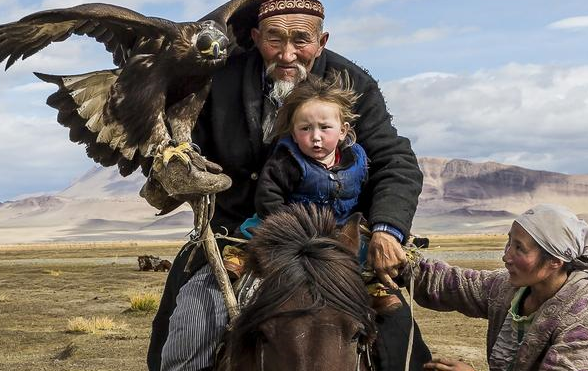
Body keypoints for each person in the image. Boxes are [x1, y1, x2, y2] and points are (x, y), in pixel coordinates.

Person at [148, 1, 428, 370]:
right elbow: (182, 142)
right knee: (197, 313)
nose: (287, 53)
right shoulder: (218, 76)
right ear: (255, 37)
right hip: (240, 233)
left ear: (322, 39)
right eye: (274, 39)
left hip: (338, 241)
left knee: (398, 331)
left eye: (301, 39)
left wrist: (387, 229)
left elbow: (395, 160)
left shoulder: (354, 83)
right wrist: (178, 167)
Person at [402, 204, 588, 371]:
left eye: (519, 248)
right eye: (509, 243)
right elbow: (452, 284)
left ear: (554, 261)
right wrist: (402, 259)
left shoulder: (581, 317)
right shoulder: (507, 288)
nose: (506, 257)